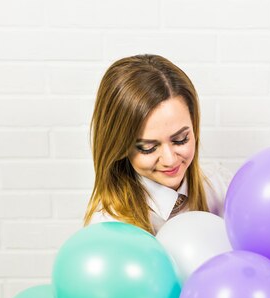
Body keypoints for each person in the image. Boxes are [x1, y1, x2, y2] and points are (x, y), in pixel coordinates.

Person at [84, 54, 229, 235]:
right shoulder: (109, 229)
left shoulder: (219, 186)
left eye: (181, 139)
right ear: (120, 146)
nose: (169, 160)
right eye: (148, 148)